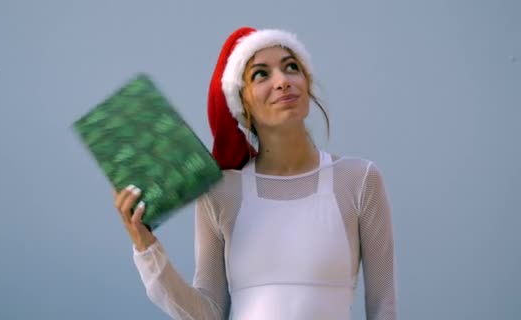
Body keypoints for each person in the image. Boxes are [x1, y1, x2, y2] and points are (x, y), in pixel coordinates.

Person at [114, 26, 397, 319]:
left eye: (291, 67)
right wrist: (146, 247)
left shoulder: (360, 179)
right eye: (261, 74)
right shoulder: (220, 193)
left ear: (307, 82)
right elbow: (208, 314)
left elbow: (383, 307)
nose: (282, 81)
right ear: (241, 102)